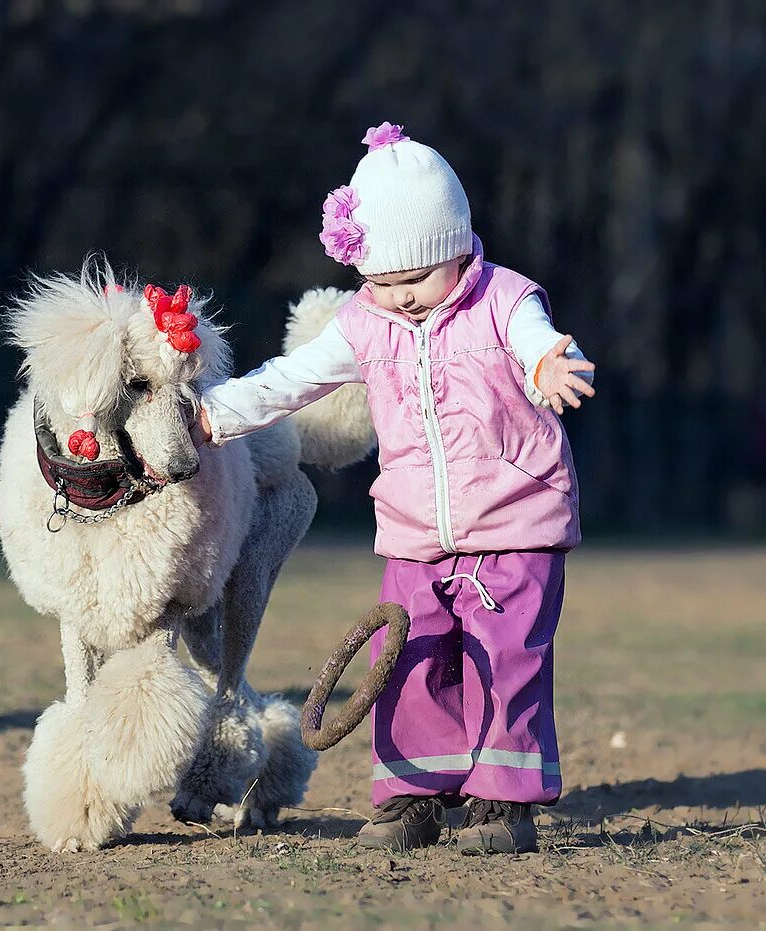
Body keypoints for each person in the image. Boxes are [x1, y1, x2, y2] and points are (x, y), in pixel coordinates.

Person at [192, 122, 595, 855]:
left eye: (415, 279)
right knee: (408, 660)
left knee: (506, 654)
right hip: (414, 532)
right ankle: (414, 796)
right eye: (380, 281)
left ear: (458, 249)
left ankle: (504, 804)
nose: (400, 298)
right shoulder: (364, 322)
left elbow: (538, 339)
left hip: (514, 522)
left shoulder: (504, 300)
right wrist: (215, 412)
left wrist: (545, 366)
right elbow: (292, 378)